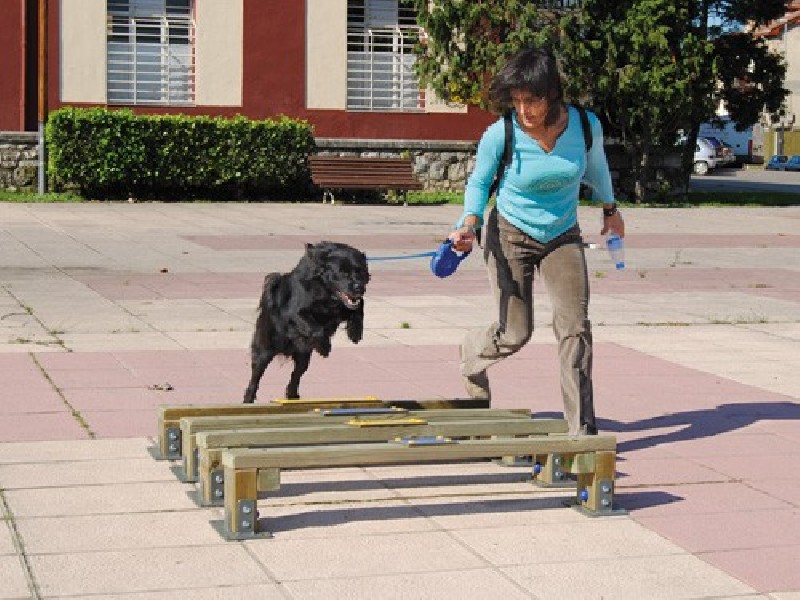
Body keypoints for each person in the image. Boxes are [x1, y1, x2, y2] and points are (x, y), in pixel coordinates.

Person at [449, 47, 624, 436]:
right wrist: (468, 222)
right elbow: (479, 181)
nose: (524, 110)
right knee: (515, 332)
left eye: (532, 100)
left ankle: (581, 433)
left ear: (553, 94)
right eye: (517, 101)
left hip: (562, 235)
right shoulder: (502, 132)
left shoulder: (584, 125)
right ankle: (472, 352)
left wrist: (611, 210)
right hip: (510, 235)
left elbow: (597, 167)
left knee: (575, 328)